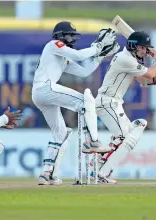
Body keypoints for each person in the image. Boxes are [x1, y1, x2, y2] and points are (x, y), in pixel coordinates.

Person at [32, 21, 120, 185]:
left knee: (61, 134)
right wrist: (98, 45)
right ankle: (93, 140)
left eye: (74, 36)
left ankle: (46, 174)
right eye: (70, 35)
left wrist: (99, 56)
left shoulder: (62, 56)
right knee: (85, 101)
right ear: (60, 36)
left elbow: (84, 72)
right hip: (45, 88)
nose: (73, 39)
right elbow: (80, 56)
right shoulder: (54, 45)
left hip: (40, 94)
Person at [91, 31, 156, 184]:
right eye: (142, 48)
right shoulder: (125, 59)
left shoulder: (129, 60)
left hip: (114, 103)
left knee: (131, 134)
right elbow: (151, 73)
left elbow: (144, 81)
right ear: (132, 46)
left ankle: (100, 164)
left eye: (146, 49)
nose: (144, 52)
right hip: (107, 102)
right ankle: (100, 170)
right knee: (123, 137)